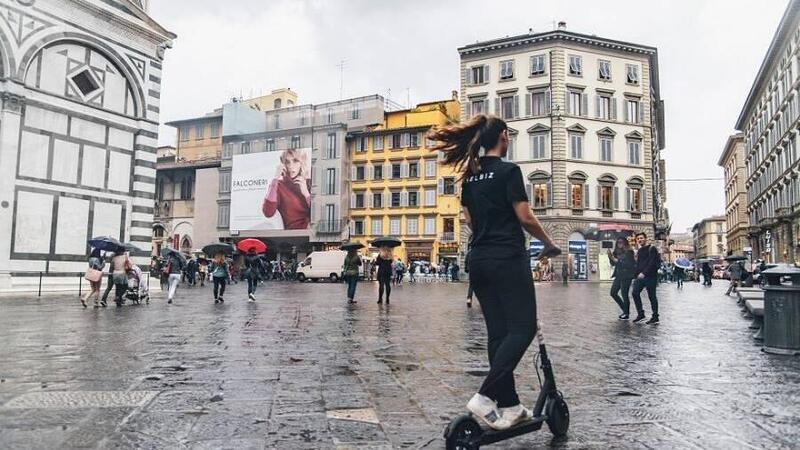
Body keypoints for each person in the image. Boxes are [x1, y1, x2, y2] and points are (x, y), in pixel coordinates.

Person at [429, 114, 561, 430]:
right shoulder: (509, 171)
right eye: (509, 135)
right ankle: (486, 396)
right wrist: (549, 243)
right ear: (503, 136)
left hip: (479, 260)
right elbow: (525, 217)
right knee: (524, 327)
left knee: (499, 334)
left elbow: (470, 221)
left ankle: (512, 405)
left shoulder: (469, 178)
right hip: (506, 257)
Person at [261, 148, 311, 230]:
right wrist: (275, 178)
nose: (291, 166)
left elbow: (319, 215)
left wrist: (306, 194)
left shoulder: (309, 183)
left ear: (302, 163)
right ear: (283, 165)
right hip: (295, 232)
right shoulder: (279, 185)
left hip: (312, 231)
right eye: (287, 162)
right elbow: (268, 212)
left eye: (295, 161)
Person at [631, 232, 661, 324]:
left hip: (651, 276)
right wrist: (635, 275)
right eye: (638, 239)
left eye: (641, 238)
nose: (640, 240)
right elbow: (639, 264)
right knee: (635, 293)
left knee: (652, 296)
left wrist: (644, 273)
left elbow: (652, 263)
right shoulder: (639, 251)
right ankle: (641, 314)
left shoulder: (652, 249)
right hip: (640, 276)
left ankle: (655, 317)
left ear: (645, 238)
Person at [608, 237, 636, 320]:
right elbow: (613, 264)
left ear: (625, 243)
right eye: (618, 242)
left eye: (621, 242)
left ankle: (626, 313)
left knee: (624, 294)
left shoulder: (629, 252)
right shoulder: (616, 252)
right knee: (613, 293)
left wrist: (617, 261)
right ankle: (625, 309)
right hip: (618, 275)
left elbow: (629, 264)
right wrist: (610, 257)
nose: (619, 244)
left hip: (627, 275)